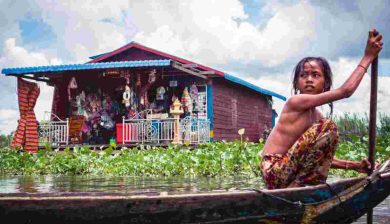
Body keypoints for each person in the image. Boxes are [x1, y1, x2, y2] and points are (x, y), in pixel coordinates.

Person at [260, 29, 383, 190]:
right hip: (274, 171)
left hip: (287, 171)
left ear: (325, 83)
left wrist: (354, 165)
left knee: (325, 127)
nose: (309, 80)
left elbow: (316, 157)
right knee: (328, 127)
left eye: (315, 75)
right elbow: (345, 91)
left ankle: (299, 188)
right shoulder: (295, 102)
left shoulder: (316, 117)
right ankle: (296, 189)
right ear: (297, 83)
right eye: (304, 75)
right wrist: (368, 57)